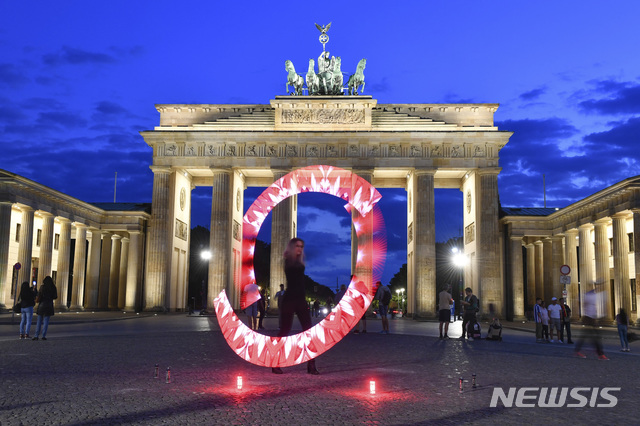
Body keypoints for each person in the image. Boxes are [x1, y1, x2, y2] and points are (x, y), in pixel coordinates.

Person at [272, 238, 319, 375]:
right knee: (284, 331)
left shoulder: (298, 261)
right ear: (292, 247)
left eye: (301, 246)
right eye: (297, 246)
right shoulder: (289, 261)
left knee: (309, 332)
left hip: (301, 299)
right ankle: (275, 362)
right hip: (290, 299)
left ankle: (311, 364)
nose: (300, 249)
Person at [575, 284, 608, 360]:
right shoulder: (589, 295)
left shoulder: (594, 295)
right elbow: (585, 305)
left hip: (591, 318)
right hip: (588, 318)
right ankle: (600, 353)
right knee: (594, 336)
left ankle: (578, 351)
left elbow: (590, 307)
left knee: (587, 336)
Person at [33, 275, 58, 341]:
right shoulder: (53, 287)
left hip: (42, 305)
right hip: (49, 305)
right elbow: (55, 296)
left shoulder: (42, 287)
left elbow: (39, 295)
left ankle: (36, 335)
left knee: (39, 321)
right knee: (46, 322)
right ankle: (43, 335)